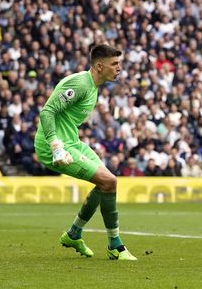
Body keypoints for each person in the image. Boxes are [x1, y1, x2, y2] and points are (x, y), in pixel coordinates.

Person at [34, 44, 137, 260]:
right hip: (53, 145)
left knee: (106, 183)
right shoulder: (80, 83)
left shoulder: (93, 86)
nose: (119, 68)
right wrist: (55, 145)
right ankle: (115, 246)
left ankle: (74, 234)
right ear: (100, 66)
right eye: (114, 64)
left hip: (72, 142)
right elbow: (47, 112)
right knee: (109, 182)